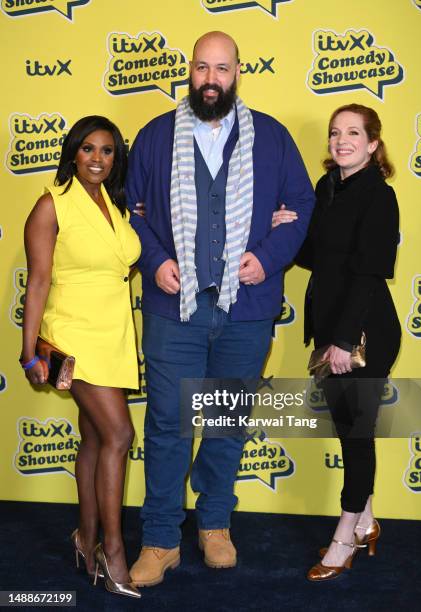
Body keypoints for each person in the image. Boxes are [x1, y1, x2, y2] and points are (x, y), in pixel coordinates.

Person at [126, 30, 314, 586]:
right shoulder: (156, 135)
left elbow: (300, 206)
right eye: (202, 68)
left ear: (238, 73)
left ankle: (214, 523)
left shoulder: (273, 139)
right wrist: (156, 258)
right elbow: (132, 211)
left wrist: (268, 257)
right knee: (166, 424)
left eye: (222, 69)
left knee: (227, 422)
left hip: (247, 307)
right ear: (190, 71)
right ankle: (160, 539)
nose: (211, 79)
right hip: (172, 306)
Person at [274, 103, 401, 581]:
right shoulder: (327, 188)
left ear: (372, 144)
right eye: (334, 133)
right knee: (349, 430)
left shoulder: (379, 196)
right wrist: (286, 227)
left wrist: (346, 342)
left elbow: (369, 274)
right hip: (330, 331)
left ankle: (345, 535)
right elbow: (318, 255)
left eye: (353, 133)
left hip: (364, 334)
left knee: (356, 435)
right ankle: (367, 521)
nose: (341, 140)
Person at [21, 116, 141, 598]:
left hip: (114, 331)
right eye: (88, 149)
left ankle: (84, 538)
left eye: (107, 151)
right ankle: (113, 552)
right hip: (73, 332)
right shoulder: (52, 205)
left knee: (94, 437)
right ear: (73, 153)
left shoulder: (115, 204)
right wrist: (29, 351)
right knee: (119, 433)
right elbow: (39, 282)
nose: (97, 159)